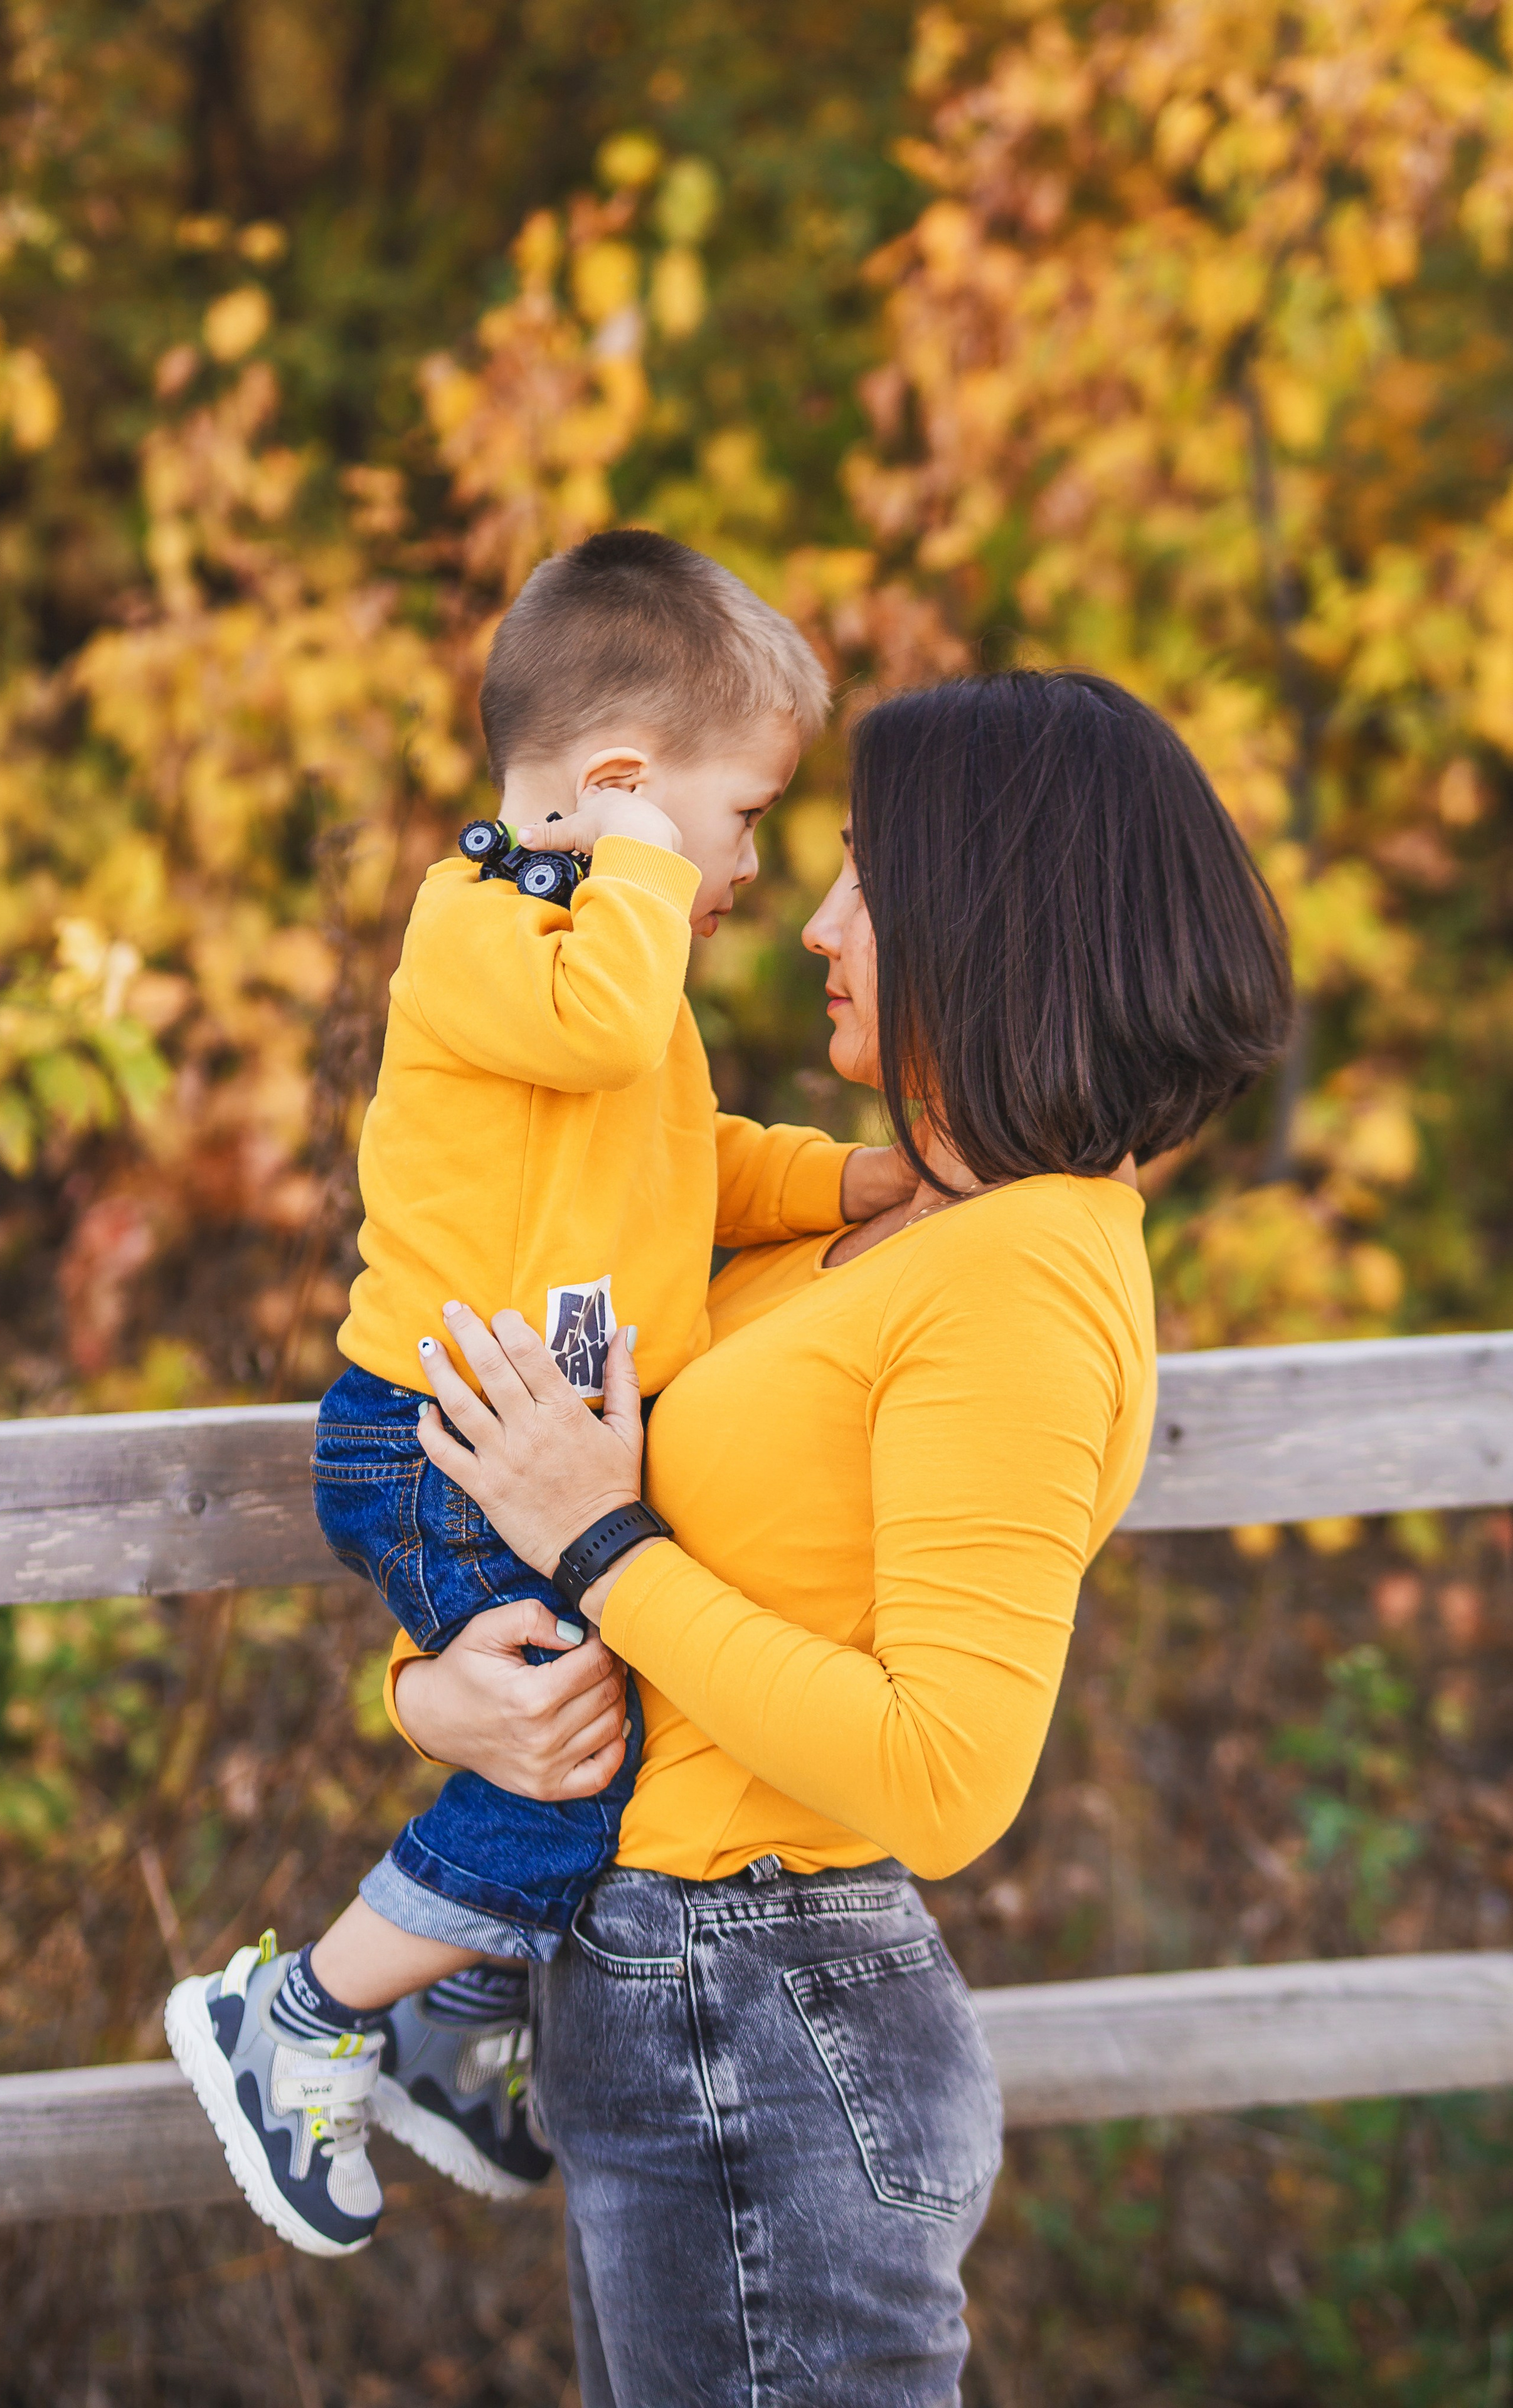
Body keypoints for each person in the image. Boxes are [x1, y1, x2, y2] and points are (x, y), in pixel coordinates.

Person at [385, 670, 1293, 2405]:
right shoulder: (865, 1234)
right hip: (670, 2002)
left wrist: (605, 1546)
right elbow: (557, 1554)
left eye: (866, 874)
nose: (812, 921)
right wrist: (433, 1696)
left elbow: (945, 1777)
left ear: (993, 911)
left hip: (768, 2021)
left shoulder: (1023, 1277)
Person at [164, 529, 920, 2256]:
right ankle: (302, 2017)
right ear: (622, 790)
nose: (746, 869)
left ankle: (449, 2026)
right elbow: (597, 1038)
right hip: (441, 1445)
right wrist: (647, 870)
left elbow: (685, 1162)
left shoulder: (615, 969)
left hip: (522, 1451)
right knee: (568, 1761)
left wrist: (835, 1185)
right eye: (736, 821)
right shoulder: (485, 926)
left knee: (592, 1739)